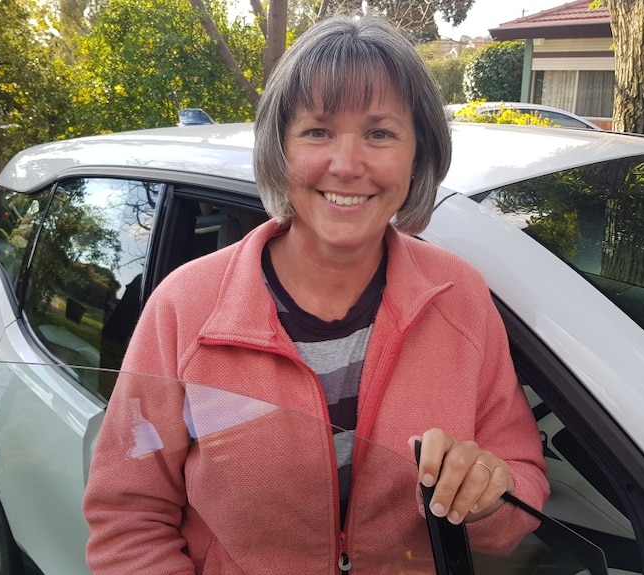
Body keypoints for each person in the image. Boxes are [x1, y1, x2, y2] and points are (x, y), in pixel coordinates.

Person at [83, 14, 549, 574]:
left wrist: (487, 497)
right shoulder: (185, 307)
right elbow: (128, 520)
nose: (347, 165)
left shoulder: (459, 295)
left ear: (417, 153)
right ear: (280, 150)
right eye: (317, 131)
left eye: (380, 133)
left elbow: (519, 492)